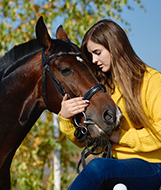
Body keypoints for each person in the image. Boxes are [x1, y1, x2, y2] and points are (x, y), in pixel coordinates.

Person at [58, 19, 161, 190]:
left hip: (153, 165)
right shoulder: (102, 88)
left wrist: (121, 137)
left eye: (97, 52)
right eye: (91, 55)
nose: (94, 60)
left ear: (115, 47)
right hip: (116, 164)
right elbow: (82, 141)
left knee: (98, 169)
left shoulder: (152, 81)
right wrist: (65, 118)